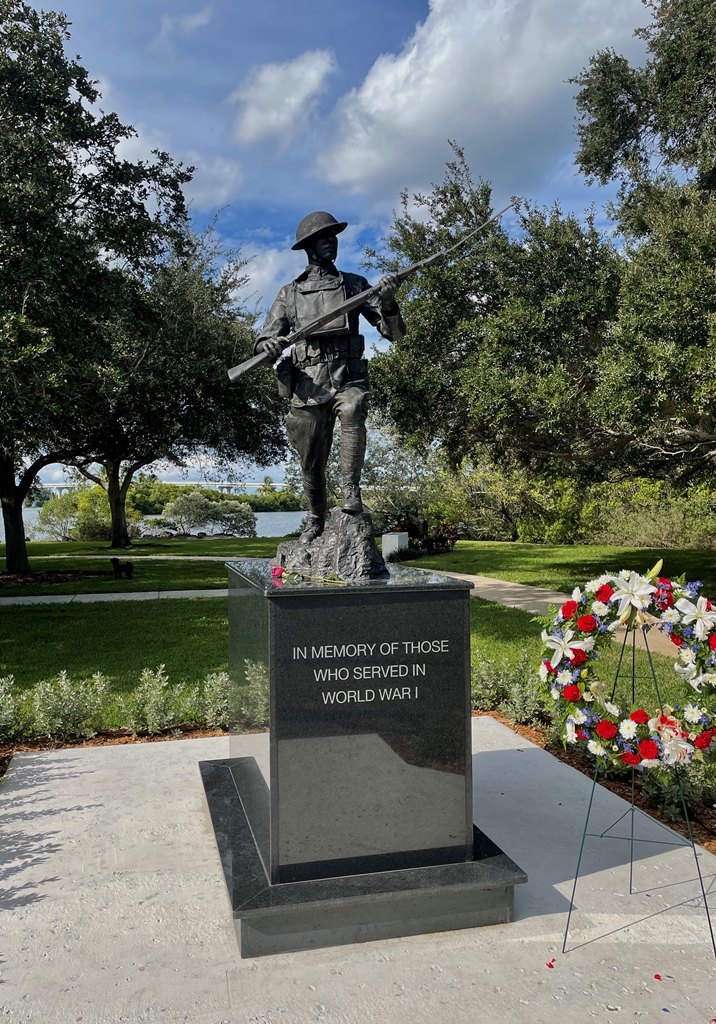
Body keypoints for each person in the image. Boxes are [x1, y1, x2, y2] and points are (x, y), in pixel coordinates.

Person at [255, 211, 405, 543]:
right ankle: (315, 516)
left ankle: (351, 490)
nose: (332, 242)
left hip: (347, 377)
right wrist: (270, 345)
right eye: (325, 237)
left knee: (353, 408)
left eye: (334, 236)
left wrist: (390, 301)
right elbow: (264, 339)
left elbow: (393, 333)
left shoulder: (354, 285)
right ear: (309, 247)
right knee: (311, 462)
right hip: (307, 386)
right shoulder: (289, 294)